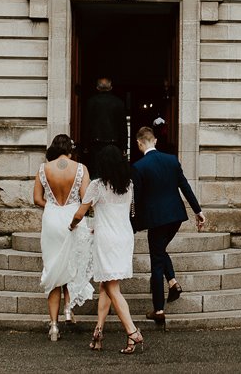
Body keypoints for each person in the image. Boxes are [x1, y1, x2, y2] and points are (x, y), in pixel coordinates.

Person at [70, 147, 143, 355]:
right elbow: (125, 212)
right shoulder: (128, 185)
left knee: (112, 288)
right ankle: (98, 332)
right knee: (107, 283)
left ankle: (132, 331)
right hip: (124, 237)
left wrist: (71, 226)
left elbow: (80, 213)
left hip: (106, 239)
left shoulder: (97, 185)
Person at [130, 126, 205, 325]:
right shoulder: (171, 160)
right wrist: (198, 211)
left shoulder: (139, 166)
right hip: (175, 217)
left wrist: (133, 224)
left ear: (139, 143)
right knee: (160, 250)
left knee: (156, 259)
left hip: (155, 219)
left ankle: (159, 309)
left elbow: (136, 199)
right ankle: (172, 282)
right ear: (154, 140)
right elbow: (185, 186)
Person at [32, 134, 95, 342]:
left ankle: (53, 326)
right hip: (72, 217)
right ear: (69, 149)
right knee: (70, 265)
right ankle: (68, 309)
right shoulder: (80, 168)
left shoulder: (44, 169)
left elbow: (36, 199)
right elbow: (87, 198)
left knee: (53, 270)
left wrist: (52, 207)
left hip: (51, 219)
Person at [82, 77, 128, 174]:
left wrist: (85, 145)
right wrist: (124, 147)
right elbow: (123, 127)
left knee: (96, 172)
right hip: (114, 144)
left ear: (97, 88)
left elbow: (87, 125)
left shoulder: (91, 102)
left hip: (95, 144)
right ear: (111, 87)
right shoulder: (119, 102)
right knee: (112, 171)